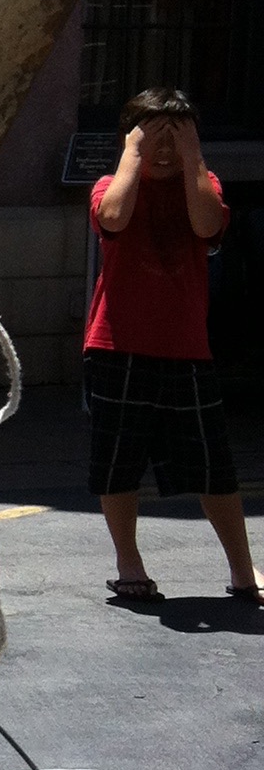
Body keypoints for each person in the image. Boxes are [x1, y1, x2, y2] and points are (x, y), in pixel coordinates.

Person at [85, 85, 258, 606]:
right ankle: (129, 565)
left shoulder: (203, 185)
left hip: (186, 348)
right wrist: (132, 156)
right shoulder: (109, 184)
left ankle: (243, 570)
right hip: (116, 346)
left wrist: (193, 159)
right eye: (153, 138)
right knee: (119, 462)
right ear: (131, 139)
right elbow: (113, 217)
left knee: (213, 464)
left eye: (175, 138)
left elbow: (207, 223)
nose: (164, 150)